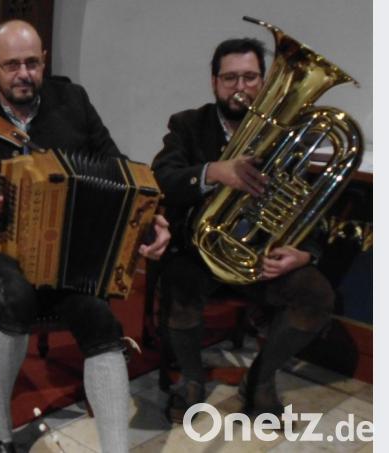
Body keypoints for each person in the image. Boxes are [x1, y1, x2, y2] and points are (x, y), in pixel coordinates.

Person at [0, 20, 170, 453]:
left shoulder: (72, 101)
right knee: (15, 295)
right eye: (12, 65)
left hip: (62, 254)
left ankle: (116, 446)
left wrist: (151, 214)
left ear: (44, 61)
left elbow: (118, 168)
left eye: (33, 63)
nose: (25, 74)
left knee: (99, 316)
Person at [150, 38, 335, 422]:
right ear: (214, 82)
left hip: (260, 255)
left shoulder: (290, 135)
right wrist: (214, 172)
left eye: (250, 77)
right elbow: (162, 178)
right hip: (199, 250)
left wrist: (304, 252)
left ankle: (260, 379)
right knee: (178, 287)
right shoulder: (188, 125)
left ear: (265, 83)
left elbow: (310, 203)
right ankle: (192, 379)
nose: (240, 87)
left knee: (316, 295)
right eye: (230, 77)